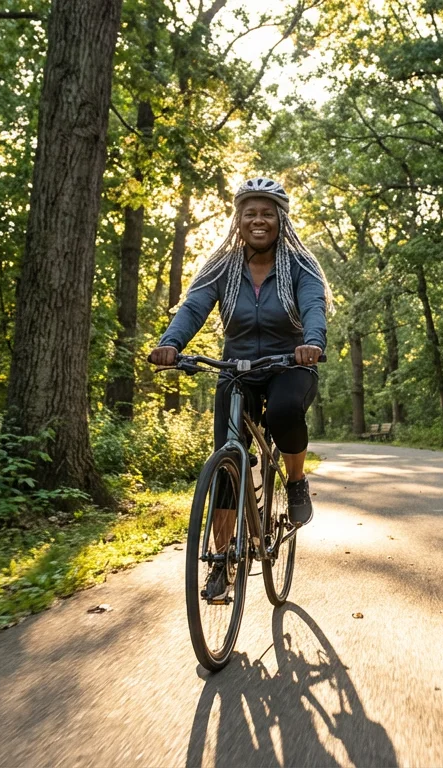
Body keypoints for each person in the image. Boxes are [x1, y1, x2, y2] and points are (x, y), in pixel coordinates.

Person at [149, 177, 332, 600]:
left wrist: (313, 343)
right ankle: (221, 562)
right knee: (227, 460)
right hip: (236, 368)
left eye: (267, 212)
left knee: (285, 412)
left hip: (290, 363)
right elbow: (194, 306)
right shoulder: (223, 266)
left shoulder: (299, 265)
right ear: (239, 219)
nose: (258, 220)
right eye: (250, 212)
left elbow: (313, 306)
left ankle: (296, 480)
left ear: (280, 219)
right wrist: (171, 344)